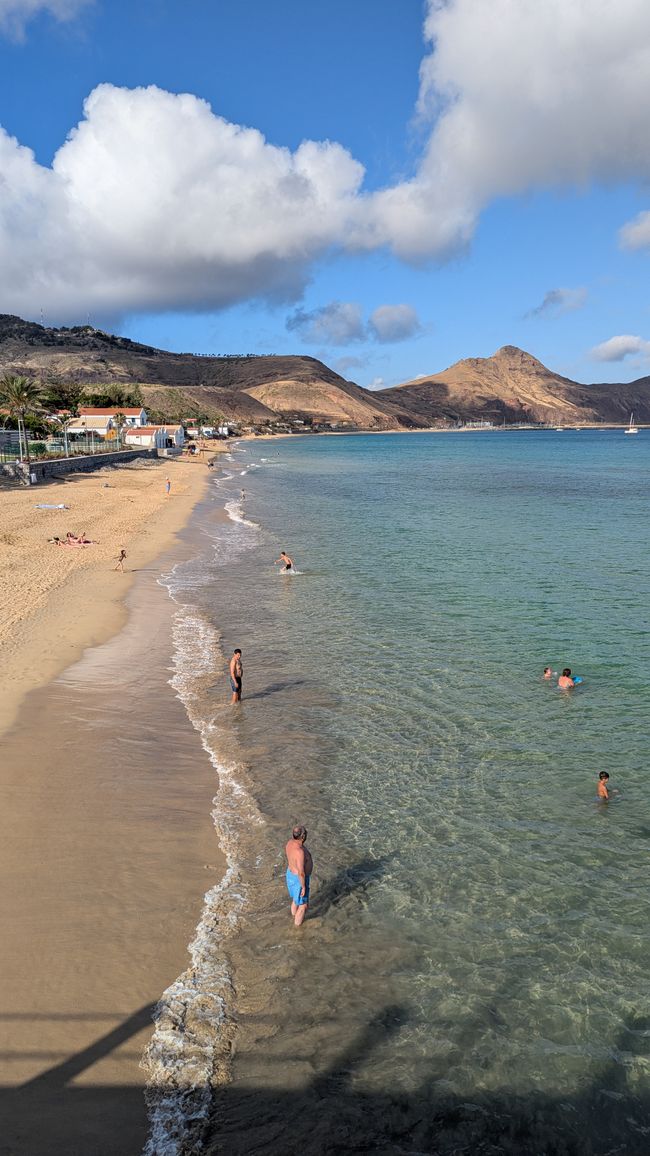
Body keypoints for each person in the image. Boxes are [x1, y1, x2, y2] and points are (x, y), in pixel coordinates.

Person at [285, 825, 313, 928]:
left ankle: (293, 917)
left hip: (290, 874)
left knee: (295, 901)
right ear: (303, 836)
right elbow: (301, 872)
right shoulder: (299, 852)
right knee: (303, 906)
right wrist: (303, 886)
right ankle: (296, 929)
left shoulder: (290, 843)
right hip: (299, 879)